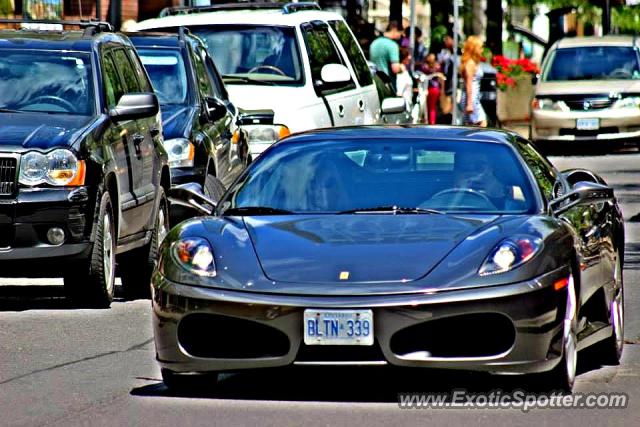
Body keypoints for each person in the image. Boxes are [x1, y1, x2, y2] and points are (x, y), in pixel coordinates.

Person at [460, 35, 487, 127]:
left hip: (473, 98)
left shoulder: (472, 62)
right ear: (474, 48)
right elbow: (468, 84)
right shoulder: (470, 63)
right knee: (481, 125)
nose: (482, 50)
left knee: (472, 128)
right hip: (471, 99)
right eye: (480, 48)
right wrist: (469, 104)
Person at [369, 21, 403, 90]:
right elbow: (395, 69)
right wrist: (402, 67)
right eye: (400, 33)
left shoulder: (374, 43)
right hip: (387, 84)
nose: (401, 36)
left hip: (375, 82)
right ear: (394, 29)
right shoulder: (393, 45)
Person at [437, 33, 455, 123]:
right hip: (447, 85)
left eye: (447, 39)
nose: (445, 41)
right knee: (445, 109)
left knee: (447, 109)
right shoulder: (446, 53)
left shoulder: (456, 54)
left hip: (451, 86)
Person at [421, 53, 443, 125]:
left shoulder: (424, 67)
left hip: (428, 88)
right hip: (434, 89)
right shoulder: (437, 66)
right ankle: (431, 122)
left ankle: (428, 121)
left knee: (428, 106)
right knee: (432, 107)